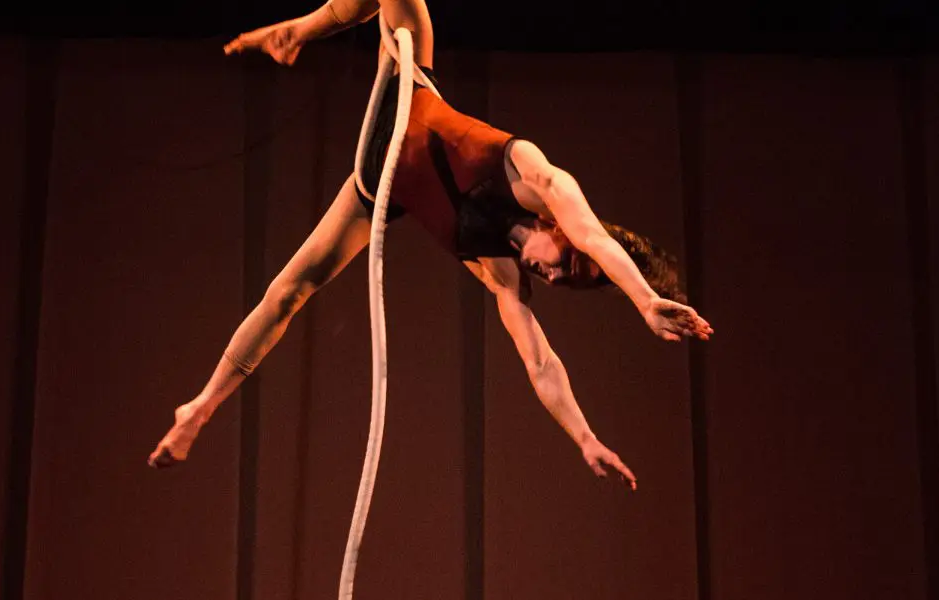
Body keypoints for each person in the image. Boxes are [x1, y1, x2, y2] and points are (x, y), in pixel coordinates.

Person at [148, 0, 714, 491]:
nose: (557, 277)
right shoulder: (530, 173)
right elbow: (592, 232)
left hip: (378, 189)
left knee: (290, 292)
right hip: (407, 90)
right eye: (568, 263)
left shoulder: (499, 272)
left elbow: (541, 363)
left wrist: (585, 438)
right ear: (563, 230)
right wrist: (643, 300)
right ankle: (299, 30)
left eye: (568, 283)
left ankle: (199, 409)